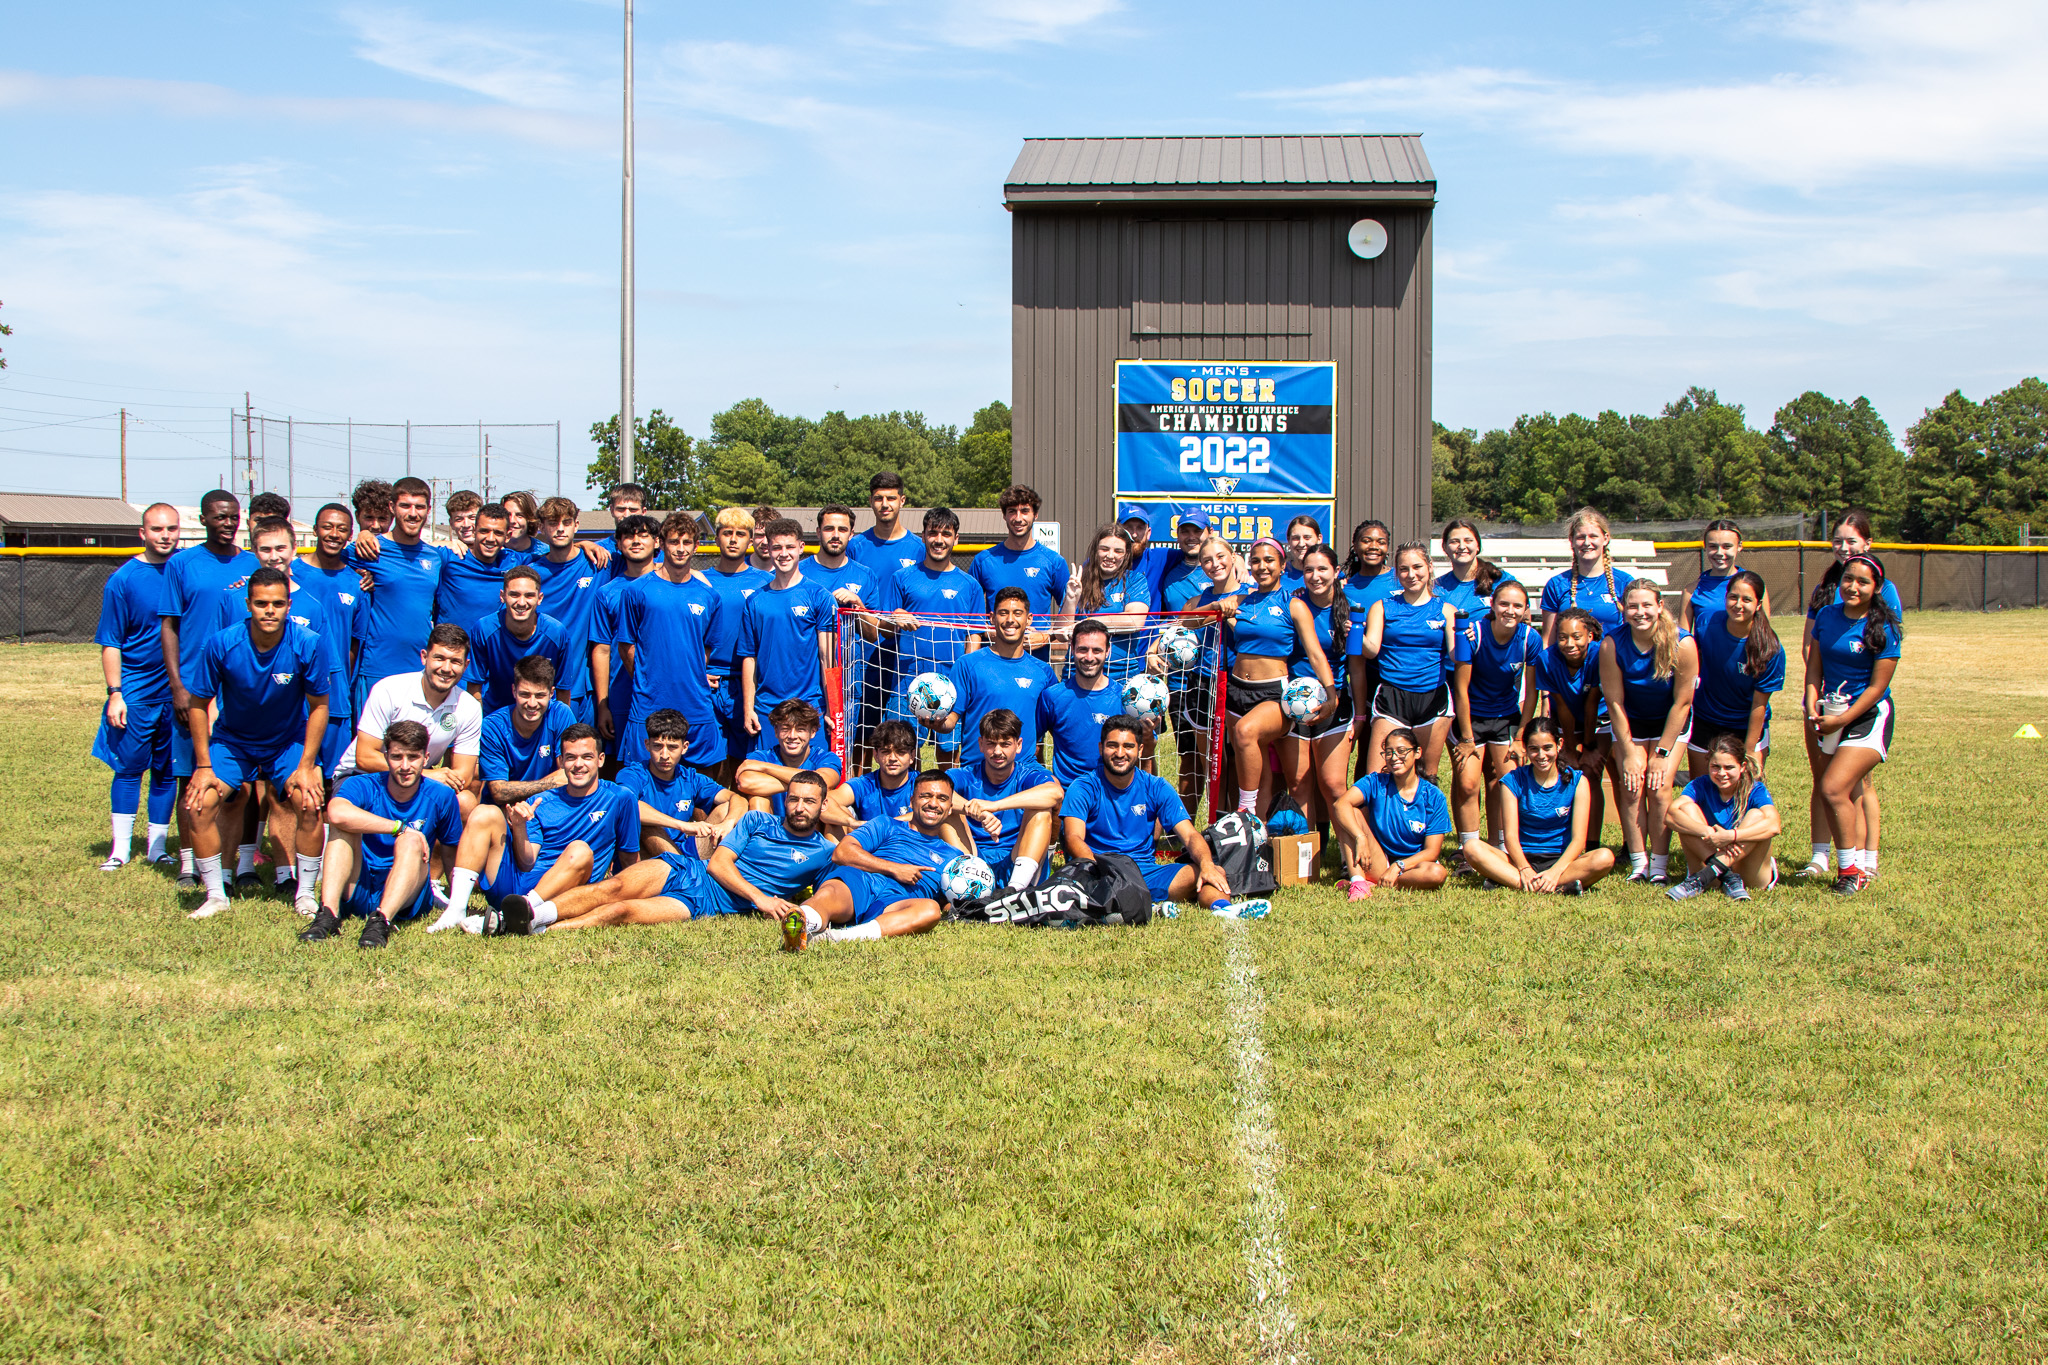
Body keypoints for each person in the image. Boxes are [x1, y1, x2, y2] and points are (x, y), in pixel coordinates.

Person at [181, 568, 331, 918]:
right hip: (233, 742)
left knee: (309, 803)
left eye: (277, 603)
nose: (269, 610)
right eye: (261, 603)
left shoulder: (307, 642)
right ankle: (216, 895)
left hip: (285, 743)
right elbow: (198, 705)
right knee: (199, 804)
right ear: (248, 604)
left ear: (288, 605)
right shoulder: (222, 643)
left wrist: (307, 766)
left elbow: (320, 706)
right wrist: (203, 766)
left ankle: (305, 895)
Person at [526, 772, 838, 932]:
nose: (799, 807)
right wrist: (760, 898)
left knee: (621, 913)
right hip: (688, 869)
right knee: (612, 888)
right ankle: (532, 914)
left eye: (808, 802)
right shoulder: (757, 820)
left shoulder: (824, 853)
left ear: (823, 805)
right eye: (794, 799)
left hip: (702, 904)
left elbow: (834, 892)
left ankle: (541, 930)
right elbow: (718, 865)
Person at [157, 490, 258, 890]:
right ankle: (188, 864)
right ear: (203, 518)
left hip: (239, 688)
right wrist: (178, 685)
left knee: (245, 782)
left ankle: (240, 864)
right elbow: (169, 626)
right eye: (219, 516)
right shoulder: (183, 564)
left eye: (233, 516)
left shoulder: (252, 563)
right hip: (197, 686)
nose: (228, 522)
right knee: (193, 776)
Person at [1797, 510, 1904, 881]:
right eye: (1848, 579)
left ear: (1876, 588)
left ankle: (1859, 865)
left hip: (1865, 714)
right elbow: (1813, 662)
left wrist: (1843, 717)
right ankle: (1837, 860)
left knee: (1838, 786)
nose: (1854, 586)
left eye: (1863, 581)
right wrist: (1813, 700)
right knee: (1833, 786)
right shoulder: (1827, 613)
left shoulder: (1884, 624)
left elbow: (1878, 687)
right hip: (1828, 709)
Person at [298, 719, 468, 948]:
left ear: (426, 759)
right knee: (343, 826)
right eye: (397, 757)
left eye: (413, 757)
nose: (405, 766)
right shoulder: (363, 784)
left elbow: (450, 852)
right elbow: (336, 813)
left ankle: (381, 921)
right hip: (361, 882)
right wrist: (398, 827)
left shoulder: (441, 796)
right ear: (386, 756)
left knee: (410, 840)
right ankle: (328, 914)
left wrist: (457, 903)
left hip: (408, 893)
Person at [457, 725, 639, 935]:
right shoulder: (540, 801)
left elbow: (629, 857)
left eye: (587, 757)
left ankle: (516, 913)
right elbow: (527, 861)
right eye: (570, 757)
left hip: (564, 894)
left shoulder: (620, 798)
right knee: (484, 812)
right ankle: (457, 910)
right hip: (518, 885)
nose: (578, 765)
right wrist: (519, 827)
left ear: (600, 760)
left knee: (579, 849)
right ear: (561, 762)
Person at [1059, 716, 1236, 911]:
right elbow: (1074, 838)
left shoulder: (1156, 786)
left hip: (1144, 873)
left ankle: (1223, 910)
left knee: (1212, 871)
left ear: (1140, 750)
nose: (1120, 753)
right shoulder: (1083, 787)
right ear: (1101, 748)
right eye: (1112, 746)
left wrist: (1206, 864)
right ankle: (1140, 903)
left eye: (1128, 746)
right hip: (1099, 873)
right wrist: (1103, 872)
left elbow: (1191, 835)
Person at [783, 770, 974, 949]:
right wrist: (895, 869)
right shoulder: (887, 824)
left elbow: (948, 900)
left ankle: (835, 938)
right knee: (831, 891)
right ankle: (804, 921)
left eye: (942, 799)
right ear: (912, 800)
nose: (933, 803)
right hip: (862, 882)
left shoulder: (954, 857)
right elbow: (842, 852)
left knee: (930, 910)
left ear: (949, 809)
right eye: (925, 796)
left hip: (897, 903)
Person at [334, 624, 482, 845]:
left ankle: (433, 876)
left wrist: (425, 777)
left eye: (455, 661)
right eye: (439, 658)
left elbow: (463, 775)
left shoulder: (469, 707)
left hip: (413, 781)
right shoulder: (390, 690)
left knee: (465, 801)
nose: (446, 668)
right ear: (424, 657)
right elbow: (364, 757)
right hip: (361, 775)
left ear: (466, 665)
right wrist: (429, 774)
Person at [93, 502, 181, 870]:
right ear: (142, 533)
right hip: (137, 692)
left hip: (177, 692)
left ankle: (157, 847)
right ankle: (120, 849)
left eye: (172, 529)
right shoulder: (123, 580)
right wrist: (116, 693)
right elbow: (111, 641)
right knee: (129, 769)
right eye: (157, 529)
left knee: (167, 770)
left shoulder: (185, 569)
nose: (165, 536)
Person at [1599, 580, 1698, 883]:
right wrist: (1628, 751)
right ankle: (1639, 862)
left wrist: (1662, 754)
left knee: (1659, 786)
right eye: (1632, 606)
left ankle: (1659, 864)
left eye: (1646, 605)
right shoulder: (1611, 643)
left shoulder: (1683, 642)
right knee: (1631, 786)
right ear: (1623, 609)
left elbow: (1682, 703)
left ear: (1659, 607)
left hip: (1670, 722)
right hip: (1631, 722)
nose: (1639, 612)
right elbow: (1614, 702)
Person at [877, 507, 985, 763]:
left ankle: (946, 802)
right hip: (907, 681)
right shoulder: (902, 578)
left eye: (946, 534)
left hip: (951, 684)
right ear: (923, 536)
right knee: (900, 754)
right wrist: (895, 619)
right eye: (933, 533)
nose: (939, 540)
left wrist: (967, 681)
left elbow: (975, 637)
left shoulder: (970, 585)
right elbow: (882, 628)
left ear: (956, 539)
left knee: (948, 757)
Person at [1462, 718, 1616, 895]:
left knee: (1604, 858)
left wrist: (1555, 871)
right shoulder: (1512, 781)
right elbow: (1510, 836)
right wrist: (1524, 868)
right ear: (1526, 749)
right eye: (1534, 749)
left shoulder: (1578, 782)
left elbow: (1578, 841)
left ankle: (1514, 882)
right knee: (1472, 847)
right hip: (1521, 858)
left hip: (1562, 862)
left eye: (1547, 748)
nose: (1541, 756)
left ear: (1559, 745)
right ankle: (1559, 887)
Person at [617, 513, 724, 769]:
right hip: (649, 702)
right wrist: (649, 677)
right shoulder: (637, 591)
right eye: (674, 542)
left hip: (695, 703)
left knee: (704, 784)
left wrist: (690, 672)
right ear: (662, 543)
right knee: (642, 782)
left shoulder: (709, 596)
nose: (680, 549)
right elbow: (626, 645)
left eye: (687, 542)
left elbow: (707, 646)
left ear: (696, 546)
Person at [1450, 578, 1540, 852]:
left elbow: (1532, 693)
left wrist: (1521, 737)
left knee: (1507, 785)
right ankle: (1469, 850)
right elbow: (1461, 690)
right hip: (1471, 719)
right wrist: (1466, 737)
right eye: (1504, 604)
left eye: (1517, 606)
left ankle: (1499, 847)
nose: (1509, 611)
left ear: (1525, 609)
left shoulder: (1529, 638)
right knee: (1467, 785)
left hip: (1506, 719)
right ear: (1493, 605)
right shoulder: (1474, 633)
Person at [1208, 537, 1295, 815]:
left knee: (1246, 733)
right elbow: (1188, 619)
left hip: (1272, 692)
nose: (1262, 566)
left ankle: (1246, 814)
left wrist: (1330, 697)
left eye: (1269, 560)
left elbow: (1316, 655)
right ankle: (1259, 834)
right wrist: (1215, 608)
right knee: (1255, 765)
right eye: (1256, 561)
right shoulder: (1242, 600)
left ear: (1282, 565)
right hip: (1237, 689)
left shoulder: (1293, 603)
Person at [345, 476, 446, 708]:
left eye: (419, 507)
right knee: (372, 743)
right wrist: (363, 534)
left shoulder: (435, 557)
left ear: (428, 510)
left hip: (420, 668)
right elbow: (322, 562)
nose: (413, 513)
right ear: (392, 508)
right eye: (405, 506)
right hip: (377, 667)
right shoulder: (370, 549)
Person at [1359, 541, 1457, 778]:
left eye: (1417, 567)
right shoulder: (1382, 607)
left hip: (1433, 698)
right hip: (1392, 697)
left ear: (1430, 567)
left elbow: (1455, 655)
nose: (1411, 574)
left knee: (1425, 775)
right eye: (1404, 569)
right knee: (1378, 776)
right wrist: (1352, 632)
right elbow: (1370, 650)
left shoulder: (1446, 610)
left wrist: (1468, 638)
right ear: (1396, 572)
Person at [738, 517, 835, 750]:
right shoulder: (755, 601)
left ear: (801, 547)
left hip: (809, 706)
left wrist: (832, 709)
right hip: (767, 708)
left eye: (790, 547)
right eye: (777, 547)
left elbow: (827, 658)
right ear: (767, 549)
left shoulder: (819, 596)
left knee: (812, 782)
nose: (784, 553)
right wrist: (748, 708)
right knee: (768, 781)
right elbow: (749, 657)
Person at [933, 587, 1057, 765]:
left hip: (1023, 772)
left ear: (1029, 619)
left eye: (1017, 613)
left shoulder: (1043, 671)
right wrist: (939, 723)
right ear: (991, 618)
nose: (1010, 620)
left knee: (1055, 790)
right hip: (977, 770)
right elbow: (951, 720)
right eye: (1003, 613)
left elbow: (1058, 722)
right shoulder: (967, 664)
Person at [946, 708, 1061, 890]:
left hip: (1018, 860)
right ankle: (963, 889)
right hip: (975, 861)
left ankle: (1014, 893)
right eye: (991, 744)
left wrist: (995, 806)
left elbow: (1055, 793)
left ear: (1019, 745)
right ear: (981, 744)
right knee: (946, 810)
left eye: (1005, 744)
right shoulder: (968, 775)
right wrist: (975, 810)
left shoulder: (1027, 775)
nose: (997, 751)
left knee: (1041, 810)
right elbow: (932, 791)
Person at [1282, 544, 1354, 835]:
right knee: (1299, 783)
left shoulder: (1350, 609)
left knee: (1334, 785)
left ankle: (1350, 858)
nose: (1315, 576)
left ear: (1336, 572)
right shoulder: (1293, 603)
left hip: (1332, 703)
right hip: (1294, 704)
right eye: (1309, 569)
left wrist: (1357, 715)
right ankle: (1306, 860)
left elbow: (1358, 666)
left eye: (1322, 569)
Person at [806, 504, 882, 768]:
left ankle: (846, 807)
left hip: (848, 681)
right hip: (805, 681)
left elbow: (873, 634)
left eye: (842, 529)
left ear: (851, 534)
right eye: (829, 528)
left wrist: (858, 606)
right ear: (818, 532)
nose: (835, 535)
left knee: (849, 754)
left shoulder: (864, 575)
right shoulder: (800, 572)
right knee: (803, 753)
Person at [1332, 726, 1452, 892]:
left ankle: (1380, 882)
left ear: (1417, 753)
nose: (1394, 757)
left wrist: (1398, 866)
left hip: (1412, 866)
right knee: (1349, 812)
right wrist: (1360, 837)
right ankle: (1359, 884)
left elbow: (1432, 852)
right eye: (1389, 752)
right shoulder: (1375, 782)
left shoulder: (1434, 796)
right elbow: (1340, 804)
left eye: (1401, 751)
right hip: (1378, 860)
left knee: (1437, 873)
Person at [291, 503, 363, 779]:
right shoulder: (291, 573)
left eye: (341, 529)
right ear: (315, 530)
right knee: (293, 782)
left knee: (335, 780)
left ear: (350, 534)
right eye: (327, 527)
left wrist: (340, 680)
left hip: (335, 696)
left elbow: (354, 643)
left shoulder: (357, 582)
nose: (334, 534)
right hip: (294, 696)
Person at [1664, 733, 1782, 901]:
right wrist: (1708, 832)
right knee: (1685, 812)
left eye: (1729, 767)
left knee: (1757, 816)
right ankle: (1725, 876)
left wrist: (1731, 836)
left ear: (1742, 766)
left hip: (1749, 876)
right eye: (1715, 766)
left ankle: (1706, 876)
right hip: (1711, 871)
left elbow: (1774, 826)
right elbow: (1671, 815)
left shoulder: (1755, 789)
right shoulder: (1700, 784)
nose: (1721, 773)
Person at [526, 496, 611, 726]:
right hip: (537, 686)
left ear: (576, 525)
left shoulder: (597, 563)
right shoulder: (531, 573)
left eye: (566, 522)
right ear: (541, 527)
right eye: (553, 523)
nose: (560, 528)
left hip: (580, 686)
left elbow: (638, 546)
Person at [1688, 570, 1783, 776]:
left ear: (1758, 605)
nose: (1738, 604)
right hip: (1706, 719)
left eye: (1747, 599)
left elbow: (1760, 704)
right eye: (1733, 597)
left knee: (1745, 794)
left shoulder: (1769, 648)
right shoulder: (1706, 625)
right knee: (1703, 792)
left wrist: (1748, 751)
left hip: (1745, 724)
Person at [702, 506, 772, 772]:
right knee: (709, 766)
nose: (733, 539)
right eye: (727, 533)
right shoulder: (700, 580)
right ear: (717, 537)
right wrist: (697, 669)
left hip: (748, 684)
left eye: (741, 534)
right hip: (709, 681)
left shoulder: (766, 582)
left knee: (747, 766)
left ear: (751, 539)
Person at [1158, 513, 1219, 811]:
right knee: (1189, 756)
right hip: (1182, 680)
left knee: (1223, 758)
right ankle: (1185, 831)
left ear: (1209, 531)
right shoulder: (1168, 571)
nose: (1191, 537)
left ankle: (1225, 823)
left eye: (1197, 530)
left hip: (1218, 675)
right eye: (1185, 531)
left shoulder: (1222, 569)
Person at [616, 708, 736, 859]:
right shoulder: (633, 774)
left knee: (727, 809)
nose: (664, 755)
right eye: (657, 746)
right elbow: (627, 803)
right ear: (647, 745)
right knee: (645, 823)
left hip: (684, 849)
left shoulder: (690, 777)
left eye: (672, 747)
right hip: (649, 857)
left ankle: (690, 872)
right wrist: (681, 825)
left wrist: (728, 823)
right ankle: (685, 873)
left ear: (684, 747)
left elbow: (736, 799)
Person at [589, 512, 659, 757]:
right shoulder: (606, 593)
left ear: (657, 542)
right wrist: (604, 705)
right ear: (618, 544)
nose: (636, 541)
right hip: (622, 693)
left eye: (644, 535)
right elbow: (602, 649)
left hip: (665, 689)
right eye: (628, 536)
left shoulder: (677, 585)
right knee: (623, 764)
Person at [1532, 606, 1607, 835]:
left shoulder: (1599, 654)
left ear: (1590, 636)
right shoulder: (1547, 659)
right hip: (1567, 720)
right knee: (1568, 771)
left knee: (1591, 770)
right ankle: (1564, 839)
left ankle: (1593, 843)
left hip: (1601, 719)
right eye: (1563, 637)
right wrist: (1572, 751)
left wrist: (1589, 746)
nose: (1569, 643)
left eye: (1577, 636)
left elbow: (1592, 702)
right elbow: (1561, 706)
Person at [970, 485, 1070, 651]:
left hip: (1036, 659)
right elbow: (971, 614)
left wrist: (1047, 635)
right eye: (1012, 511)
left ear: (1035, 514)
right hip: (993, 661)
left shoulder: (1053, 562)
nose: (1018, 518)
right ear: (1004, 515)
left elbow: (1070, 613)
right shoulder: (984, 561)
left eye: (1025, 511)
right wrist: (989, 632)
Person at [464, 565, 570, 713]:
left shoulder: (556, 633)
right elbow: (474, 686)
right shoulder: (484, 629)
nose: (521, 602)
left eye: (529, 595)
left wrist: (559, 728)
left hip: (540, 716)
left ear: (540, 598)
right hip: (496, 713)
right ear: (502, 596)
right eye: (514, 595)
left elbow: (563, 690)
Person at [475, 656, 577, 806]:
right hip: (505, 810)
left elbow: (570, 772)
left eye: (540, 695)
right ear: (514, 691)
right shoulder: (492, 727)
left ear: (551, 693)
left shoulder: (560, 714)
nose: (532, 703)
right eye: (525, 694)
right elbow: (499, 791)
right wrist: (550, 782)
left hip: (548, 805)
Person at [1342, 518, 1399, 782]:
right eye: (1366, 540)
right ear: (1355, 545)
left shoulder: (1401, 580)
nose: (1373, 546)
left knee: (1392, 751)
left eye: (1380, 541)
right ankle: (1358, 812)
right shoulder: (1344, 586)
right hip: (1359, 677)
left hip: (1394, 677)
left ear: (1388, 547)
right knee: (1363, 749)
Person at [1036, 620, 1123, 787]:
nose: (1089, 658)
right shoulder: (1053, 696)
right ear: (1072, 649)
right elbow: (1034, 745)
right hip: (1068, 792)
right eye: (1083, 649)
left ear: (1108, 652)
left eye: (1097, 650)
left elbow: (1143, 753)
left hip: (1112, 792)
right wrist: (1044, 780)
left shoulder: (1123, 697)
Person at [1068, 524, 1151, 686]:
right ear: (1095, 551)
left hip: (1122, 675)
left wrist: (1086, 624)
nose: (1110, 555)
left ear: (1126, 554)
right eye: (1104, 549)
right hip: (1078, 674)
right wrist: (1071, 598)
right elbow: (1063, 630)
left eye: (1118, 551)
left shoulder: (1135, 580)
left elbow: (1134, 621)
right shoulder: (1080, 581)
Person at [434, 502, 526, 639]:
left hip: (490, 656)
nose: (490, 538)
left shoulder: (514, 561)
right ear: (474, 530)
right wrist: (439, 543)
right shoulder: (451, 557)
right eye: (484, 531)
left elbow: (551, 557)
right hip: (453, 655)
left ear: (507, 536)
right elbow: (414, 550)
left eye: (498, 533)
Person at [1540, 506, 1633, 643]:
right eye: (1581, 537)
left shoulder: (1624, 582)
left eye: (1593, 536)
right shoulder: (1557, 585)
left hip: (1612, 661)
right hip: (1569, 663)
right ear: (1571, 540)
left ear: (1605, 538)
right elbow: (1548, 641)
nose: (1587, 543)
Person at [734, 699, 844, 810]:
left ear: (813, 732)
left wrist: (765, 768)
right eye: (785, 729)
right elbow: (745, 782)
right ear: (776, 731)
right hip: (773, 823)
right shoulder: (761, 757)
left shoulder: (825, 758)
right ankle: (763, 828)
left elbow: (825, 782)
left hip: (810, 824)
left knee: (832, 804)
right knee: (757, 799)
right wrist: (809, 787)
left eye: (800, 730)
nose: (792, 736)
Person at [1681, 519, 1772, 631]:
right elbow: (1683, 640)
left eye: (1727, 546)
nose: (1719, 553)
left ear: (1739, 546)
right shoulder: (1691, 590)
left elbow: (1765, 633)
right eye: (1713, 546)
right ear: (1705, 546)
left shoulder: (1754, 586)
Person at [828, 719, 919, 828]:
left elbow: (937, 812)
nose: (893, 758)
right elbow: (825, 802)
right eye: (886, 752)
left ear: (912, 755)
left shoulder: (922, 784)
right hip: (869, 843)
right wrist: (852, 822)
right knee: (836, 818)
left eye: (900, 752)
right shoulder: (865, 784)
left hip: (910, 843)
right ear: (875, 755)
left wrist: (886, 824)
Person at [1435, 518, 1517, 621]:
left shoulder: (1500, 580)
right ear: (1445, 547)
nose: (1461, 546)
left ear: (1478, 545)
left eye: (1468, 541)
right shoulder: (1437, 588)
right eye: (1454, 542)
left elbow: (1522, 618)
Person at [849, 471, 923, 577]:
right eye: (879, 499)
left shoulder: (920, 549)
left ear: (902, 501)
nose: (884, 504)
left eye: (891, 498)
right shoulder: (854, 547)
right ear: (871, 501)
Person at [1280, 514, 1324, 591]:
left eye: (1307, 538)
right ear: (1288, 540)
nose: (1301, 544)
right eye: (1295, 538)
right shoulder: (1279, 575)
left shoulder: (1331, 574)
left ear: (1319, 539)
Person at [445, 489, 483, 554]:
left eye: (472, 518)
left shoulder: (498, 555)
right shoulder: (446, 554)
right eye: (459, 519)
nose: (466, 525)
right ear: (451, 523)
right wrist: (448, 543)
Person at [747, 504, 781, 572]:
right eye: (759, 535)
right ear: (751, 537)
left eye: (770, 536)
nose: (765, 542)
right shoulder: (737, 570)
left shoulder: (791, 572)